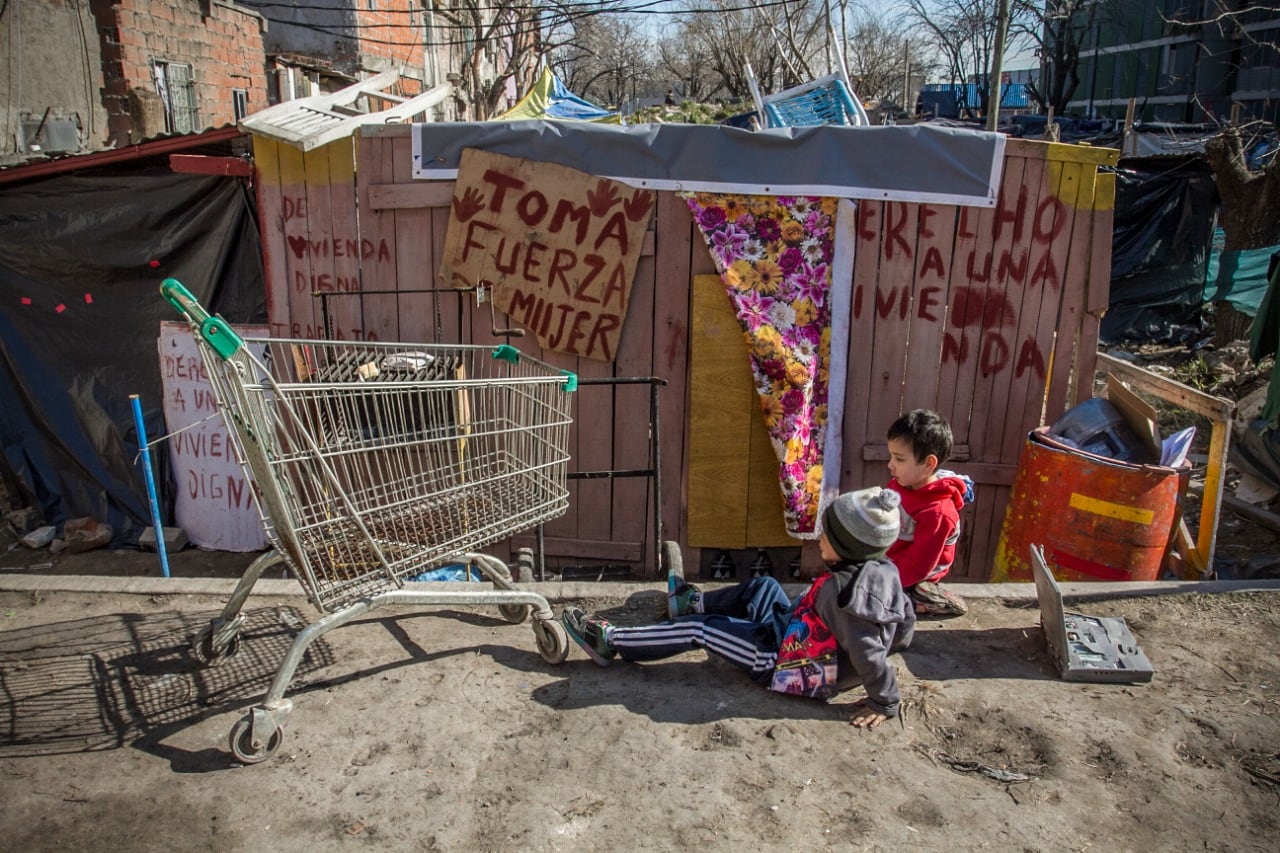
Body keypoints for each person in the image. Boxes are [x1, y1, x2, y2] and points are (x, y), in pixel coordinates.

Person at [561, 487, 915, 729]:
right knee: (765, 586)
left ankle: (612, 642)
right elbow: (904, 619)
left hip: (780, 662)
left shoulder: (846, 597)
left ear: (848, 546)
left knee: (702, 629)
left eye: (827, 534)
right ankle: (689, 602)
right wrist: (898, 641)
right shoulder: (883, 571)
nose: (819, 537)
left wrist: (885, 701)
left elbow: (869, 651)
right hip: (790, 631)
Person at [885, 409, 973, 618]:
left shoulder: (938, 513)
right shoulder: (903, 484)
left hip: (915, 571)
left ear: (928, 464)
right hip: (894, 555)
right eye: (891, 456)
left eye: (898, 459)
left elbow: (919, 565)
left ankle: (927, 599)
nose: (890, 465)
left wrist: (883, 581)